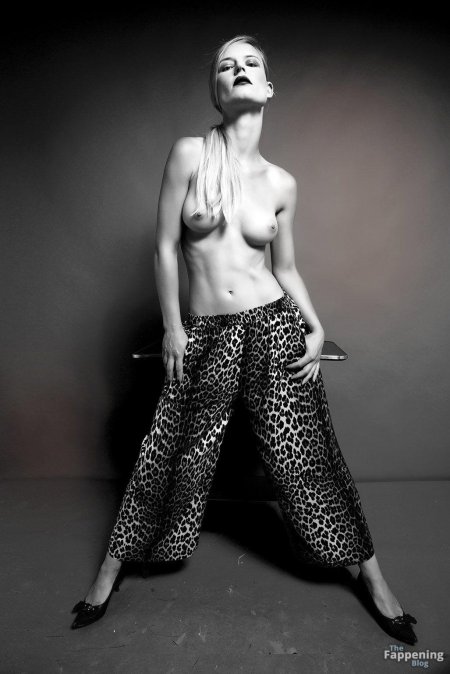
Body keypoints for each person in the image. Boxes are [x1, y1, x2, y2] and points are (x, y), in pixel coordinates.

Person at [71, 35, 418, 645]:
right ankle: (108, 573)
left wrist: (315, 323)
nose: (239, 69)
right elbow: (164, 248)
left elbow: (287, 268)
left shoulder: (282, 183)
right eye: (226, 65)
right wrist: (173, 325)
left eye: (251, 63)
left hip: (273, 323)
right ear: (216, 90)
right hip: (205, 329)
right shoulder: (189, 154)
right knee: (171, 449)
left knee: (306, 455)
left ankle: (375, 581)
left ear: (268, 87)